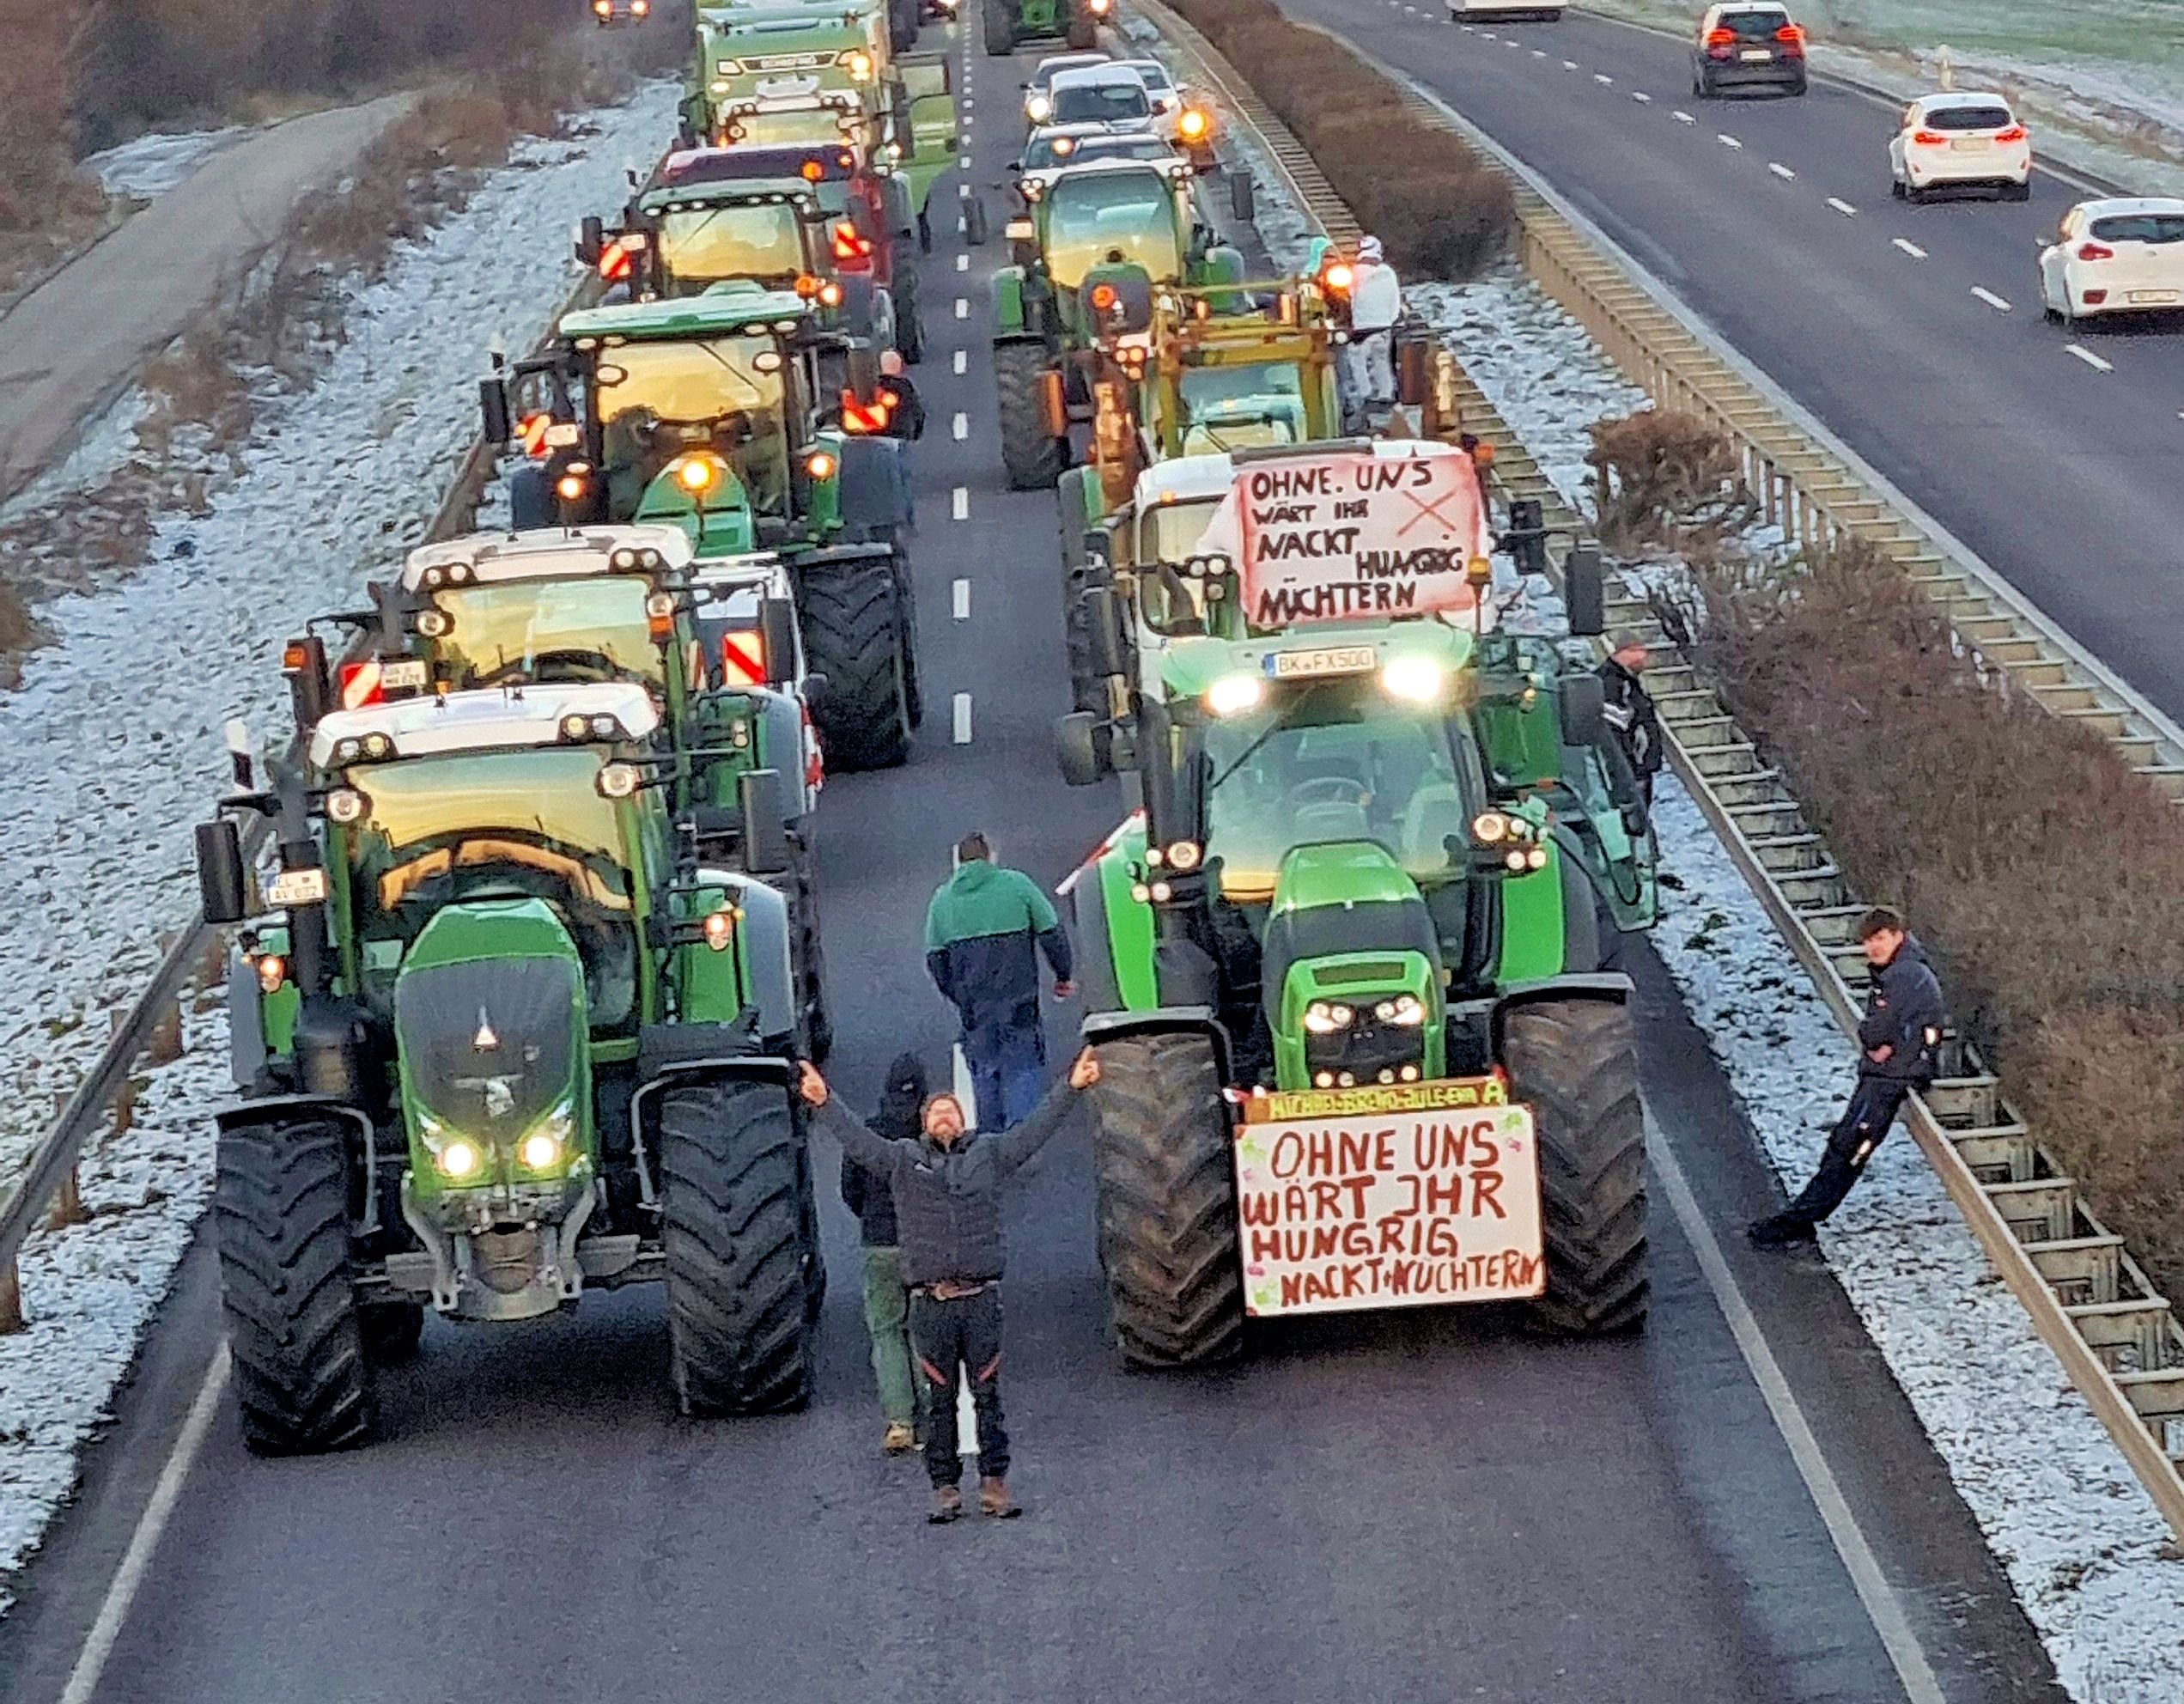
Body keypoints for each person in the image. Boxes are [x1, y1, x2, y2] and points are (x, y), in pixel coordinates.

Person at [799, 1048, 1102, 1521]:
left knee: (988, 1399)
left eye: (951, 1112)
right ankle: (945, 1490)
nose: (944, 1118)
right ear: (924, 1125)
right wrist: (823, 1102)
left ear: (962, 1122)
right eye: (936, 1113)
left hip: (980, 1301)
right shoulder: (901, 1161)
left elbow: (1035, 1131)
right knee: (940, 1403)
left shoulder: (989, 1154)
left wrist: (1073, 1087)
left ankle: (995, 1487)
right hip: (931, 1305)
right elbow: (857, 1142)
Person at [1749, 908, 1947, 1248]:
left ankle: (1801, 1219)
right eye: (1868, 941)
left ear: (1898, 935)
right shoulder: (1905, 971)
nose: (1873, 947)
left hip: (1892, 1076)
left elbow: (1875, 1030)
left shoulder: (1903, 975)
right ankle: (1802, 1214)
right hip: (1891, 1071)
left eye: (1880, 938)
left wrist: (1880, 1044)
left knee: (1850, 1146)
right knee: (1846, 1143)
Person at [924, 832, 1074, 1132]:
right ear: (991, 857)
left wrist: (959, 998)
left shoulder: (942, 901)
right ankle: (1021, 1140)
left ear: (958, 862)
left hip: (975, 1009)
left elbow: (935, 961)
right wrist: (1063, 976)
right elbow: (1051, 933)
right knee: (1023, 1069)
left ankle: (989, 1143)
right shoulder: (1017, 885)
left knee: (984, 1072)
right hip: (1019, 1002)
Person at [840, 1050, 929, 1456]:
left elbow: (850, 1193)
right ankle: (931, 1412)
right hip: (924, 1245)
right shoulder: (927, 1136)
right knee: (924, 1328)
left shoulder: (869, 1132)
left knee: (887, 1331)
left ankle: (899, 1421)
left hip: (879, 1244)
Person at [1597, 630, 1664, 808]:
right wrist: (1630, 767)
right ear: (1624, 652)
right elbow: (1614, 731)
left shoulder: (1630, 682)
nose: (1644, 657)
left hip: (1639, 768)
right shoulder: (1613, 684)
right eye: (1639, 652)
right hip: (1630, 770)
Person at [1344, 234, 1402, 424]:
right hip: (1385, 325)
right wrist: (1391, 319)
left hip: (1363, 326)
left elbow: (1351, 295)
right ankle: (1386, 393)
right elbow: (1395, 300)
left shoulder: (1356, 272)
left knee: (1357, 359)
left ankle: (1365, 392)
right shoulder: (1388, 272)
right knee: (1381, 360)